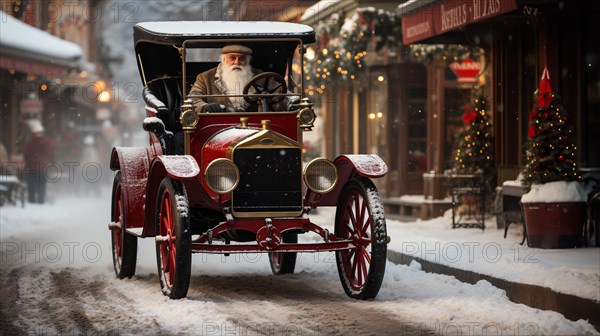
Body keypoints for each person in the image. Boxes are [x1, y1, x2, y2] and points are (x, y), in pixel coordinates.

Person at [188, 44, 299, 113]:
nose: (237, 62)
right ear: (223, 60)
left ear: (248, 60)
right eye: (232, 58)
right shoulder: (205, 78)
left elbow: (281, 93)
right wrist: (206, 107)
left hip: (257, 127)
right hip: (217, 127)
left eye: (241, 58)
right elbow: (193, 99)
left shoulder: (262, 77)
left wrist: (290, 101)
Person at [24, 121, 55, 204]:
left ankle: (31, 200)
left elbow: (27, 154)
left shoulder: (30, 142)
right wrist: (49, 161)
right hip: (43, 167)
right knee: (42, 184)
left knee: (32, 185)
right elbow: (51, 153)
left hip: (32, 167)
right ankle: (41, 200)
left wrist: (28, 162)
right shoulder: (47, 141)